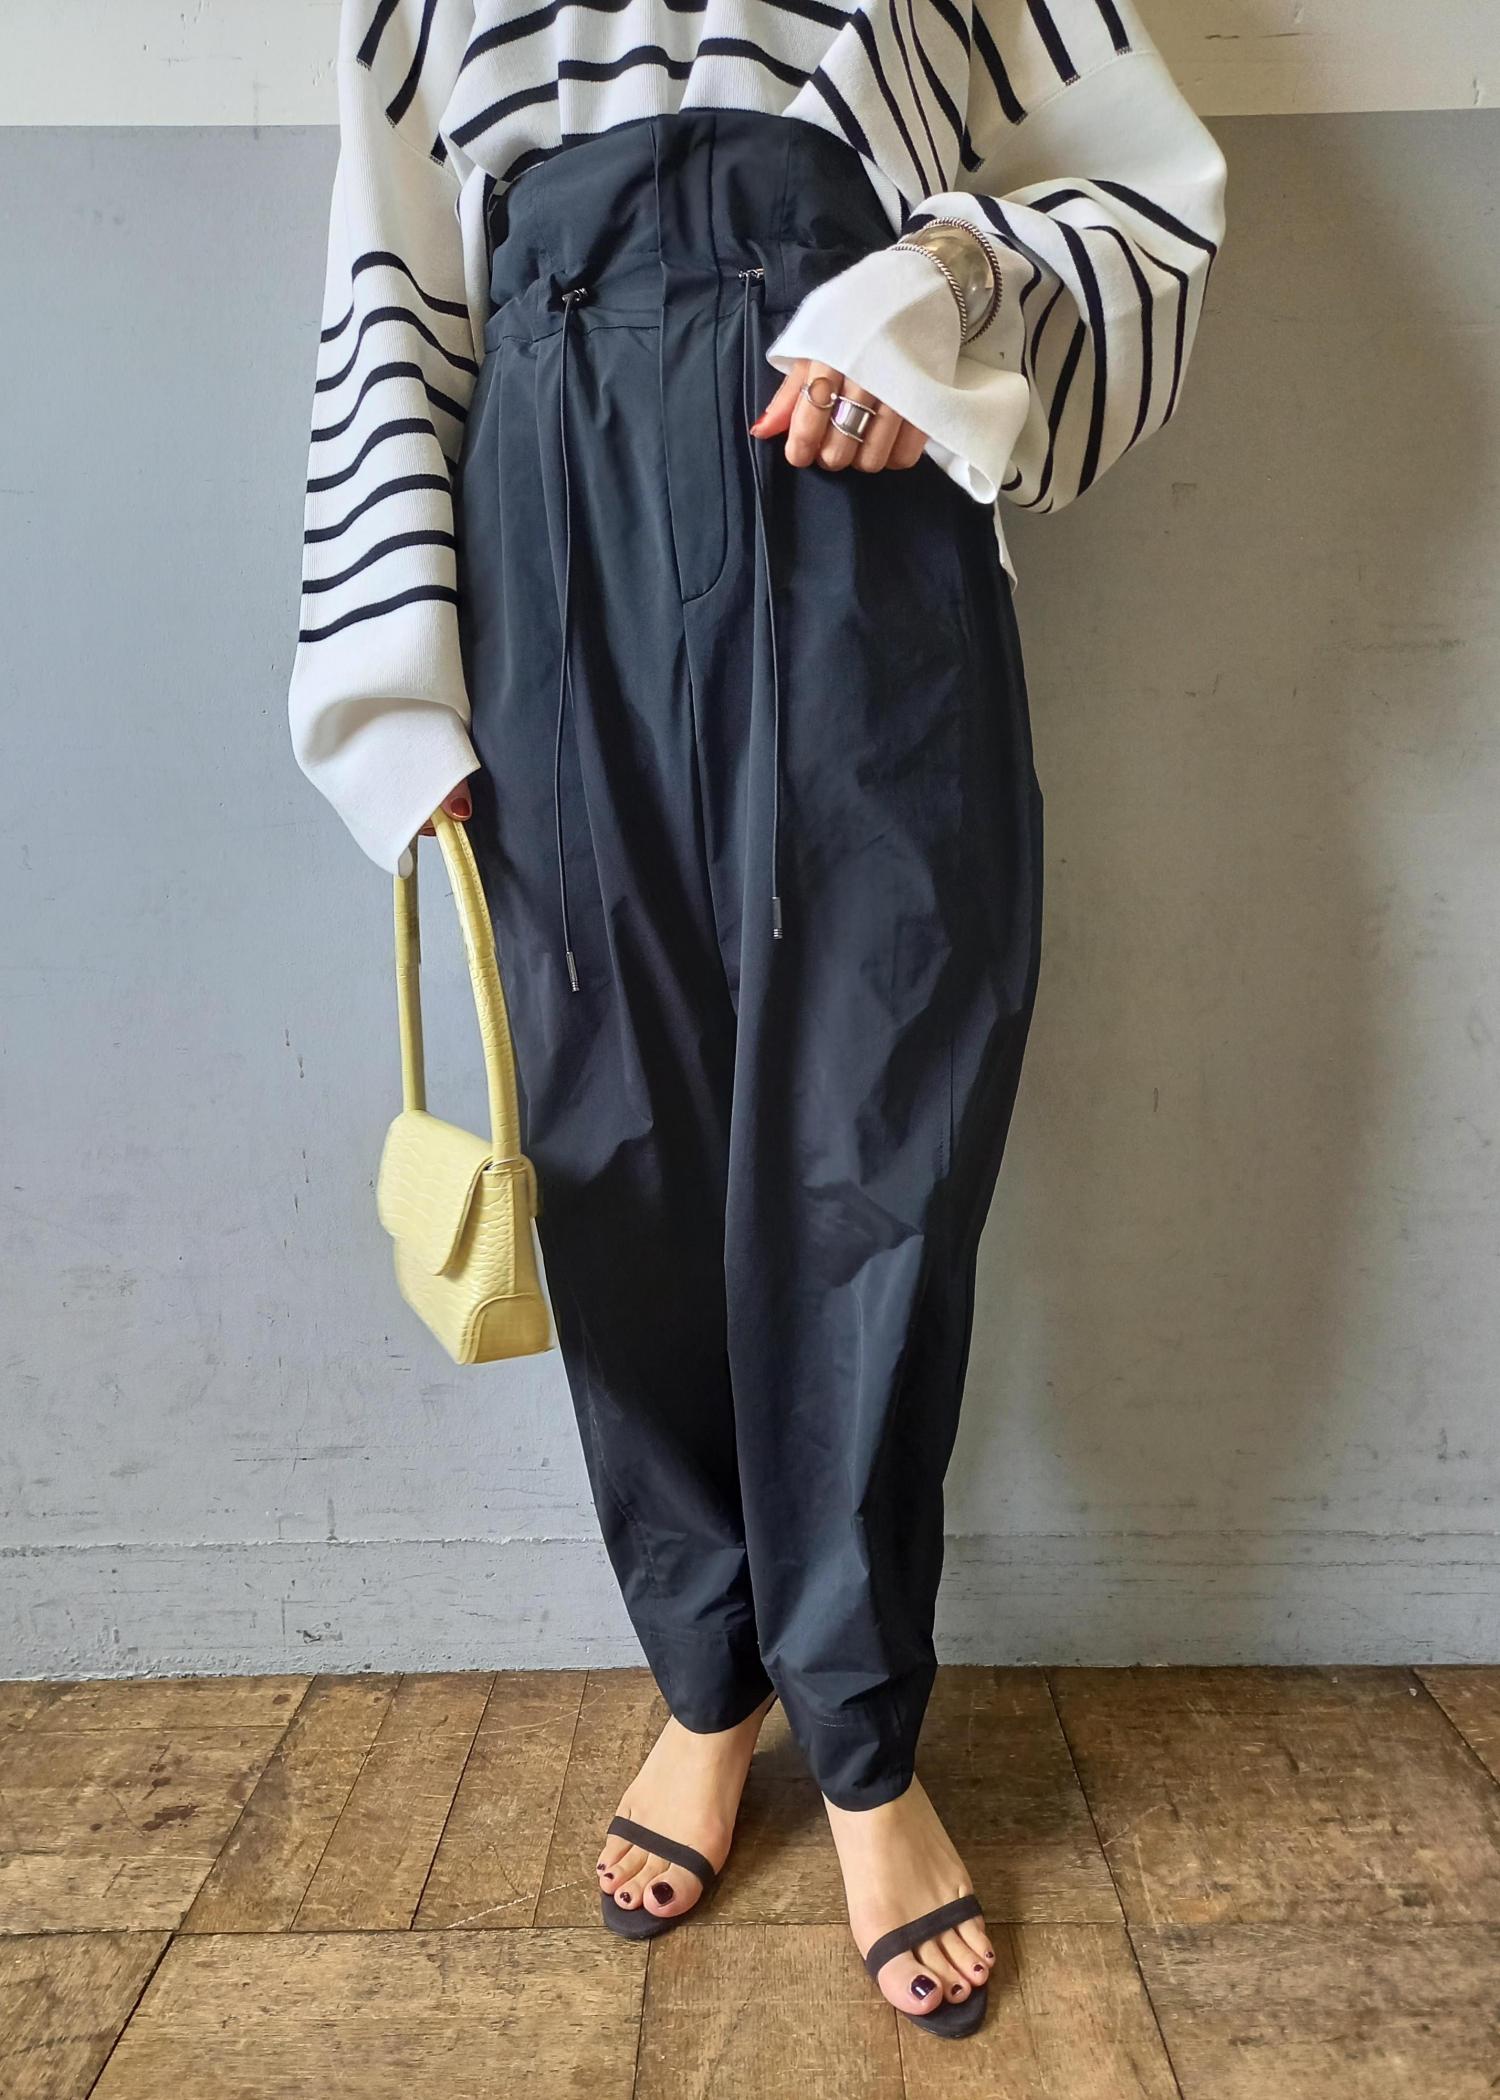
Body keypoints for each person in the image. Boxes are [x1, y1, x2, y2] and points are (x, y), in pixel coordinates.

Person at [288, 0, 1226, 2039]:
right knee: (614, 1143)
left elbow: (1147, 199)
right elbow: (394, 287)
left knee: (882, 1137)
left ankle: (863, 1737)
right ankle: (710, 1678)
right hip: (553, 528)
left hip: (855, 506)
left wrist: (927, 303)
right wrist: (393, 680)